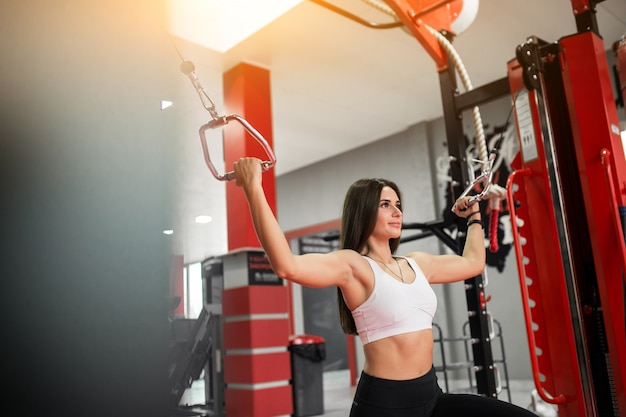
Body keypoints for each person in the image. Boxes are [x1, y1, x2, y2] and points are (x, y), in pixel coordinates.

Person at [233, 157, 537, 417]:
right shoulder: (354, 266)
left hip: (431, 398)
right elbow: (287, 265)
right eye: (385, 204)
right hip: (384, 405)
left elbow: (472, 262)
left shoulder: (417, 262)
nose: (397, 212)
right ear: (364, 211)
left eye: (398, 205)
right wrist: (254, 188)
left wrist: (473, 217)